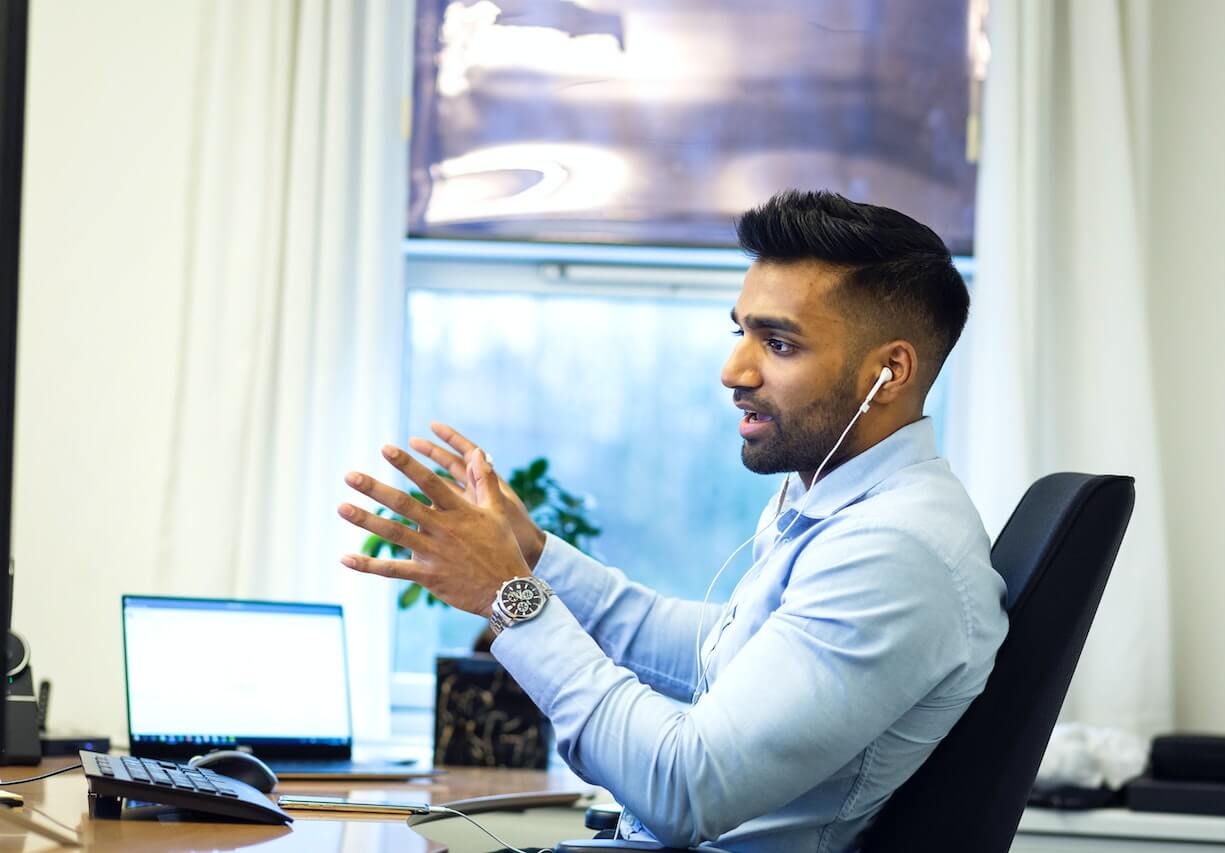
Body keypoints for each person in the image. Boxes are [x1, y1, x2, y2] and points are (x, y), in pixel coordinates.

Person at [336, 190, 1009, 852]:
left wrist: (507, 595)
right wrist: (537, 558)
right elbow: (715, 652)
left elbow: (684, 788)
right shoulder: (845, 504)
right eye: (740, 331)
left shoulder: (895, 553)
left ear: (888, 372)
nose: (733, 370)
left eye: (778, 344)